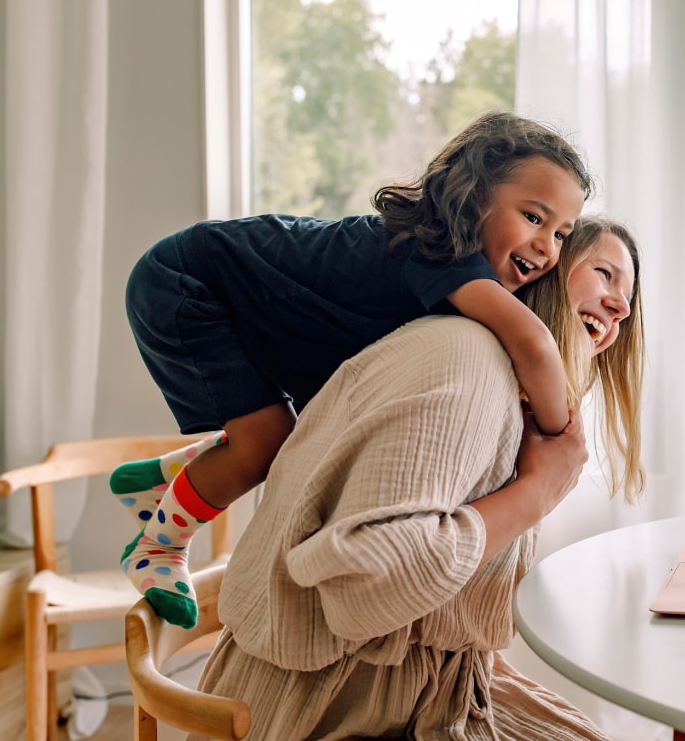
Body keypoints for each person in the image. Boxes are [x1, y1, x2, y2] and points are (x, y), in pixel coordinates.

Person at [111, 112, 592, 629]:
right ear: (474, 198)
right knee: (266, 446)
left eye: (563, 233)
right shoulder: (439, 251)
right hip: (186, 282)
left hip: (232, 294)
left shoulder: (448, 273)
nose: (547, 248)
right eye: (534, 218)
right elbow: (535, 344)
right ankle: (157, 548)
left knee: (292, 432)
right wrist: (559, 437)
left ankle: (164, 483)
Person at [190, 216, 644, 741]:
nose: (622, 308)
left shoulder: (505, 386)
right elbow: (368, 583)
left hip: (420, 690)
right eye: (605, 274)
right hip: (330, 710)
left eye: (627, 300)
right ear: (541, 267)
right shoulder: (470, 363)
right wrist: (537, 492)